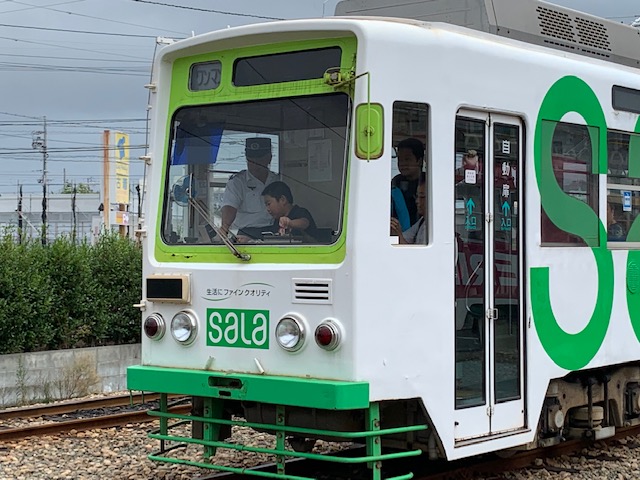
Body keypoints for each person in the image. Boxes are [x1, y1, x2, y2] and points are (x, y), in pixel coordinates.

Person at [221, 137, 279, 237]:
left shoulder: (277, 180)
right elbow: (230, 206)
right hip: (247, 233)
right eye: (251, 161)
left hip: (274, 231)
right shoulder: (237, 182)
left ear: (269, 158)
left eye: (259, 161)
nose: (255, 166)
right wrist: (224, 228)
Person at [391, 138, 425, 230]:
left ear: (419, 161)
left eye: (407, 159)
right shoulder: (395, 182)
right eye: (400, 159)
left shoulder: (427, 183)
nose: (402, 164)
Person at [390, 173, 426, 244]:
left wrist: (399, 235)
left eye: (422, 197)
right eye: (417, 196)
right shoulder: (422, 221)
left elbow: (418, 255)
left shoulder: (438, 227)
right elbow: (406, 239)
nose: (417, 201)